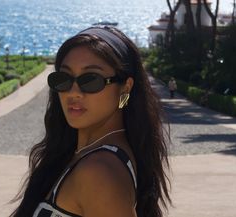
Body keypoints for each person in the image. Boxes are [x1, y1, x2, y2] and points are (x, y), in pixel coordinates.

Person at [10, 26, 171, 217]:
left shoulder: (98, 172)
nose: (73, 92)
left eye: (91, 80)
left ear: (125, 88)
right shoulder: (88, 154)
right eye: (64, 79)